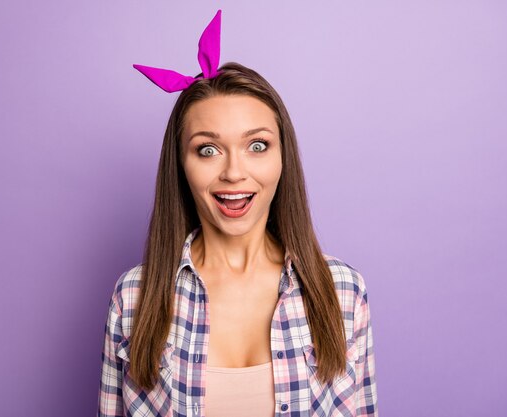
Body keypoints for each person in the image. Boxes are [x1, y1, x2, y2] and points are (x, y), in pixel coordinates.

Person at [98, 10, 377, 417]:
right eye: (207, 149)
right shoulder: (133, 298)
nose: (233, 172)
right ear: (181, 164)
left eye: (257, 145)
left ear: (284, 159)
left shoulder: (343, 292)